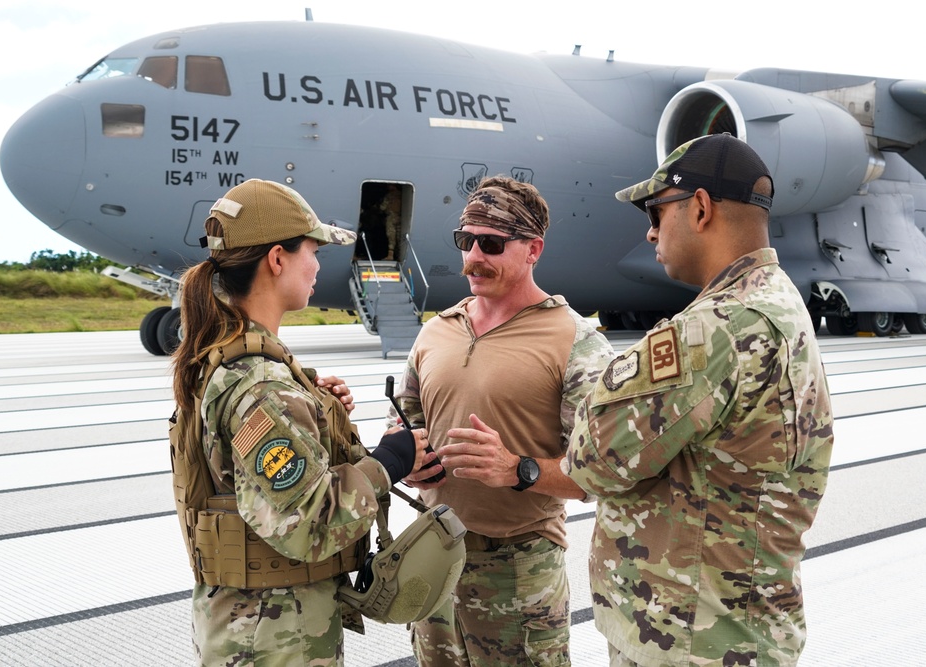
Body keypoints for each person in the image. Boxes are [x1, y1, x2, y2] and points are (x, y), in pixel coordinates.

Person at [565, 134, 834, 667]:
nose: (649, 232)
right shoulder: (778, 302)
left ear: (702, 208)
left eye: (656, 212)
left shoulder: (716, 329)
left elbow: (592, 460)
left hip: (687, 637)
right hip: (739, 625)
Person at [170, 178, 430, 666]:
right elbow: (310, 524)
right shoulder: (263, 385)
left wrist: (319, 416)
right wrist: (392, 460)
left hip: (255, 627)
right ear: (276, 259)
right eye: (313, 250)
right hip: (272, 634)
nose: (316, 266)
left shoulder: (229, 358)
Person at [395, 175, 615, 666]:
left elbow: (603, 473)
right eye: (465, 241)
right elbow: (406, 425)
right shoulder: (436, 332)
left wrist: (518, 468)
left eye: (491, 244)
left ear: (533, 248)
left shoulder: (574, 341)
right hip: (433, 558)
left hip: (518, 571)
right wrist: (408, 459)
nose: (473, 256)